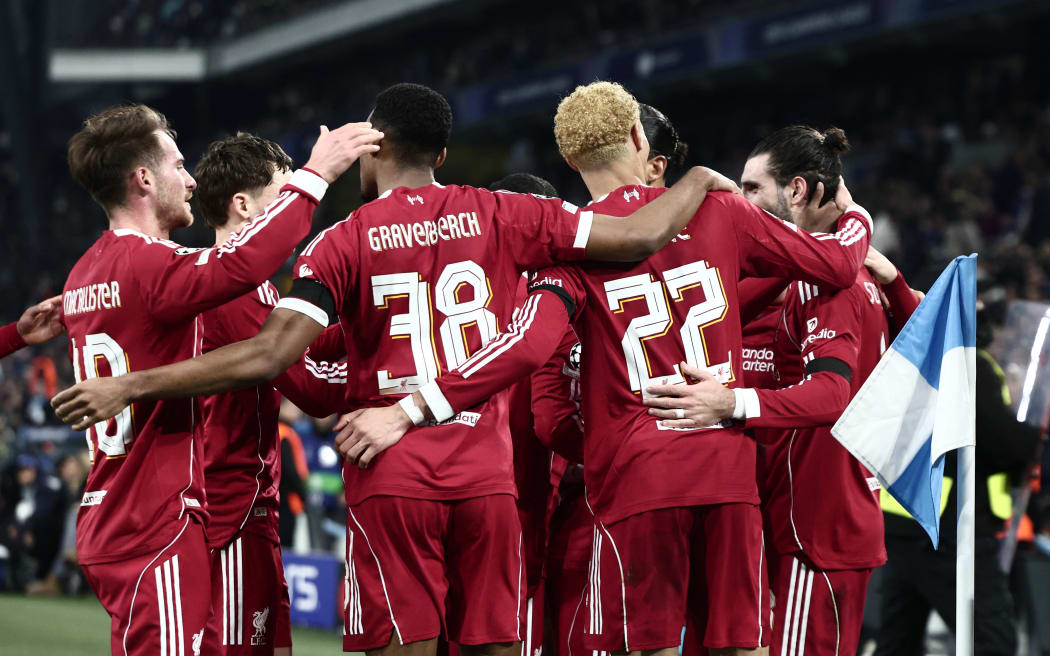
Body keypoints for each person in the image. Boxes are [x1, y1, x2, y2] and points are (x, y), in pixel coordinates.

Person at [51, 82, 737, 656]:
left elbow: (273, 356)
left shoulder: (339, 241)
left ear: (371, 153)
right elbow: (637, 236)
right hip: (488, 480)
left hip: (391, 473)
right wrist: (700, 180)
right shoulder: (504, 212)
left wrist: (374, 388)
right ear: (442, 152)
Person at [339, 81, 876, 656]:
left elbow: (527, 346)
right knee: (739, 645)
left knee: (650, 646)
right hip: (725, 464)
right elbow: (839, 264)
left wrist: (410, 409)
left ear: (569, 159)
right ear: (640, 138)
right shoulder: (724, 210)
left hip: (638, 471)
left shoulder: (571, 246)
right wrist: (856, 217)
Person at [56, 103, 381, 656]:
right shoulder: (160, 268)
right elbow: (242, 273)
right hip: (177, 512)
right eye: (178, 165)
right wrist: (316, 175)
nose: (189, 178)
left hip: (140, 505)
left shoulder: (88, 271)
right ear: (143, 179)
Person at [644, 126, 921, 656]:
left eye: (751, 189)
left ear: (795, 191)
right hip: (786, 522)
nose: (738, 201)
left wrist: (731, 404)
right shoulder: (806, 275)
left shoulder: (830, 285)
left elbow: (832, 393)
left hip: (813, 526)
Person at [192, 133, 351, 656]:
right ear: (244, 204)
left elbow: (309, 341)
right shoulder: (231, 289)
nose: (294, 210)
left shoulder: (247, 287)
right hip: (232, 506)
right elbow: (311, 388)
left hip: (246, 501)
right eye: (283, 195)